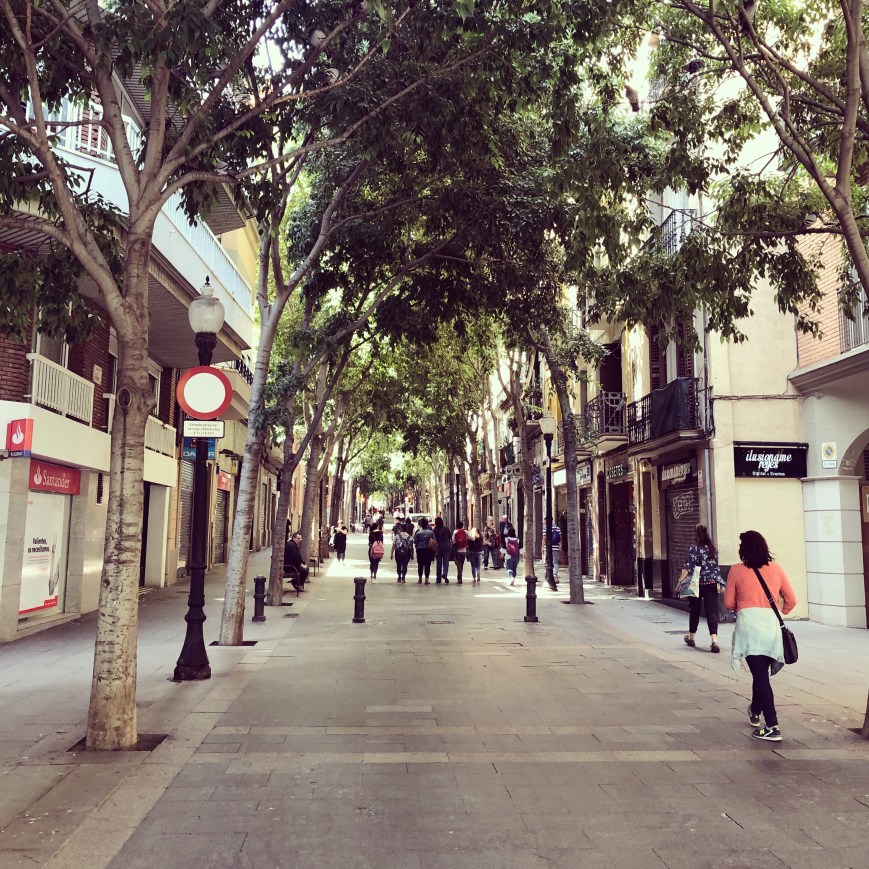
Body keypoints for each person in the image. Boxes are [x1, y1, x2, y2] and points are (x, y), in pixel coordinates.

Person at [724, 530, 797, 742]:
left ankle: (772, 726)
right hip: (771, 627)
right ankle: (755, 711)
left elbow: (728, 603)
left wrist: (743, 605)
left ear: (743, 550)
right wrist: (779, 611)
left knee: (760, 676)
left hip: (750, 627)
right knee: (761, 673)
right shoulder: (776, 569)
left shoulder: (737, 571)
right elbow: (791, 600)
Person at [677, 524, 722, 653]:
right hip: (711, 584)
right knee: (711, 612)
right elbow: (715, 568)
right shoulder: (713, 549)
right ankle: (714, 641)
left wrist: (679, 582)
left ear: (695, 534)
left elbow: (688, 568)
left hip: (696, 584)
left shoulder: (693, 549)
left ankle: (691, 637)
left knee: (695, 610)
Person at [413, 517, 436, 584]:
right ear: (427, 525)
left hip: (420, 550)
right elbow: (434, 541)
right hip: (428, 550)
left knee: (420, 564)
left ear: (421, 525)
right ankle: (426, 579)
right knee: (427, 564)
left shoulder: (418, 533)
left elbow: (415, 542)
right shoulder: (430, 532)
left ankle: (420, 578)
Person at [433, 516, 453, 584]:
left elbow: (434, 539)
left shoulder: (435, 530)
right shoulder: (446, 528)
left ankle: (438, 579)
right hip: (446, 547)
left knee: (439, 563)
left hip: (438, 548)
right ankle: (445, 573)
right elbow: (450, 537)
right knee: (446, 562)